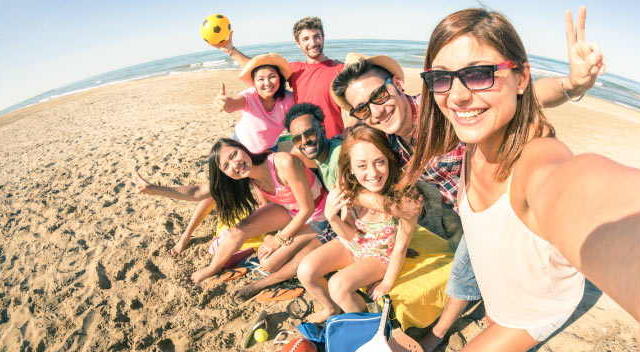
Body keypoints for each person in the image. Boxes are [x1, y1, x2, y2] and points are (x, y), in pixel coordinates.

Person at [402, 6, 640, 352]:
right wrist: (572, 83)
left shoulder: (535, 160)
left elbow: (573, 191)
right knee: (492, 324)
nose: (457, 94)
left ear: (520, 76)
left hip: (540, 303)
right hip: (503, 288)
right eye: (441, 78)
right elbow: (539, 94)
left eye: (478, 73)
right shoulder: (476, 134)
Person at [329, 5, 605, 352]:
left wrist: (571, 84)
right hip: (456, 206)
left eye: (380, 96)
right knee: (484, 274)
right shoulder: (386, 139)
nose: (377, 111)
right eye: (363, 108)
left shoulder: (441, 105)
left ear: (397, 84)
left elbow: (523, 97)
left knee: (468, 270)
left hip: (494, 203)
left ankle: (440, 332)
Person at [230, 103, 417, 299]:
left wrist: (398, 211)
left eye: (309, 133)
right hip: (336, 217)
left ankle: (264, 283)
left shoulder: (338, 158)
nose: (304, 141)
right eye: (297, 138)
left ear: (322, 128)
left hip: (338, 219)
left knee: (302, 259)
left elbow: (361, 196)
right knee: (273, 262)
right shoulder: (319, 155)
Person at [132, 139, 328, 284]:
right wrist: (155, 189)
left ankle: (308, 246)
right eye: (226, 166)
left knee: (269, 264)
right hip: (289, 209)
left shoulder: (283, 162)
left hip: (317, 212)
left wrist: (278, 239)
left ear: (242, 148)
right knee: (238, 230)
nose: (235, 164)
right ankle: (212, 268)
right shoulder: (246, 176)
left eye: (234, 155)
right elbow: (198, 191)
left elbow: (307, 208)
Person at [170, 53, 294, 256]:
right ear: (254, 83)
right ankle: (186, 235)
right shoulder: (251, 96)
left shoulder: (287, 100)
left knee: (266, 196)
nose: (267, 83)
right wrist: (224, 103)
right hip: (238, 153)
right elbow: (234, 104)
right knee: (215, 194)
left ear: (279, 78)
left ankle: (268, 233)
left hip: (266, 153)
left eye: (272, 76)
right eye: (260, 79)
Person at [296, 123, 422, 323]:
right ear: (351, 168)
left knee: (338, 285)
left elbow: (400, 247)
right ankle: (331, 308)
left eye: (379, 162)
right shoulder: (348, 186)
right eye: (362, 166)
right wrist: (332, 217)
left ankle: (363, 319)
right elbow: (349, 235)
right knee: (305, 270)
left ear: (389, 160)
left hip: (380, 255)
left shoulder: (405, 197)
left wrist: (387, 283)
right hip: (353, 244)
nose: (372, 173)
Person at [213, 17, 344, 138]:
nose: (313, 42)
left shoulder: (340, 69)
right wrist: (231, 50)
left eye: (317, 36)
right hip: (305, 140)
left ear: (323, 37)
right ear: (298, 43)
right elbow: (258, 66)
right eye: (306, 39)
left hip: (334, 139)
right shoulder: (296, 69)